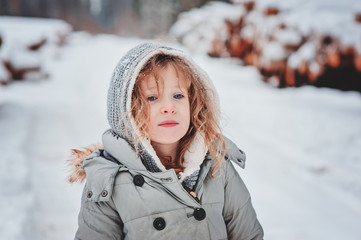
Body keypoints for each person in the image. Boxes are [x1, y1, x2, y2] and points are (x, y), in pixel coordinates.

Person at [68, 42, 264, 240]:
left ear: (194, 103)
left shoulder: (216, 164)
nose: (169, 107)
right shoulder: (108, 182)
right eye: (152, 98)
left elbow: (248, 235)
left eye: (178, 95)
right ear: (127, 111)